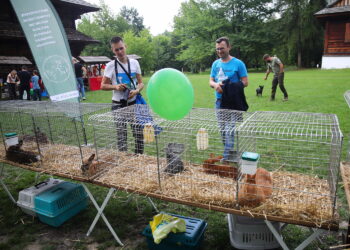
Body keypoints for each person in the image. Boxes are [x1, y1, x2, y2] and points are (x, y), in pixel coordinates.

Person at [101, 36, 145, 154]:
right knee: (121, 135)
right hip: (118, 105)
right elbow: (103, 86)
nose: (120, 52)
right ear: (113, 50)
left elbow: (141, 83)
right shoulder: (110, 65)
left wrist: (136, 91)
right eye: (116, 50)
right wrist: (115, 87)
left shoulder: (135, 63)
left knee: (138, 134)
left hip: (134, 104)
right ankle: (123, 160)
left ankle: (139, 158)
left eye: (121, 48)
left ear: (125, 46)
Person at [209, 37, 249, 162]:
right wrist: (216, 85)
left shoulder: (238, 63)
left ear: (229, 47)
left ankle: (226, 158)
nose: (220, 51)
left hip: (233, 102)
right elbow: (211, 81)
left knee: (229, 130)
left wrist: (229, 88)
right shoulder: (215, 64)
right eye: (217, 49)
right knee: (222, 130)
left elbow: (245, 82)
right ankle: (230, 153)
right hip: (219, 102)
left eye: (222, 48)